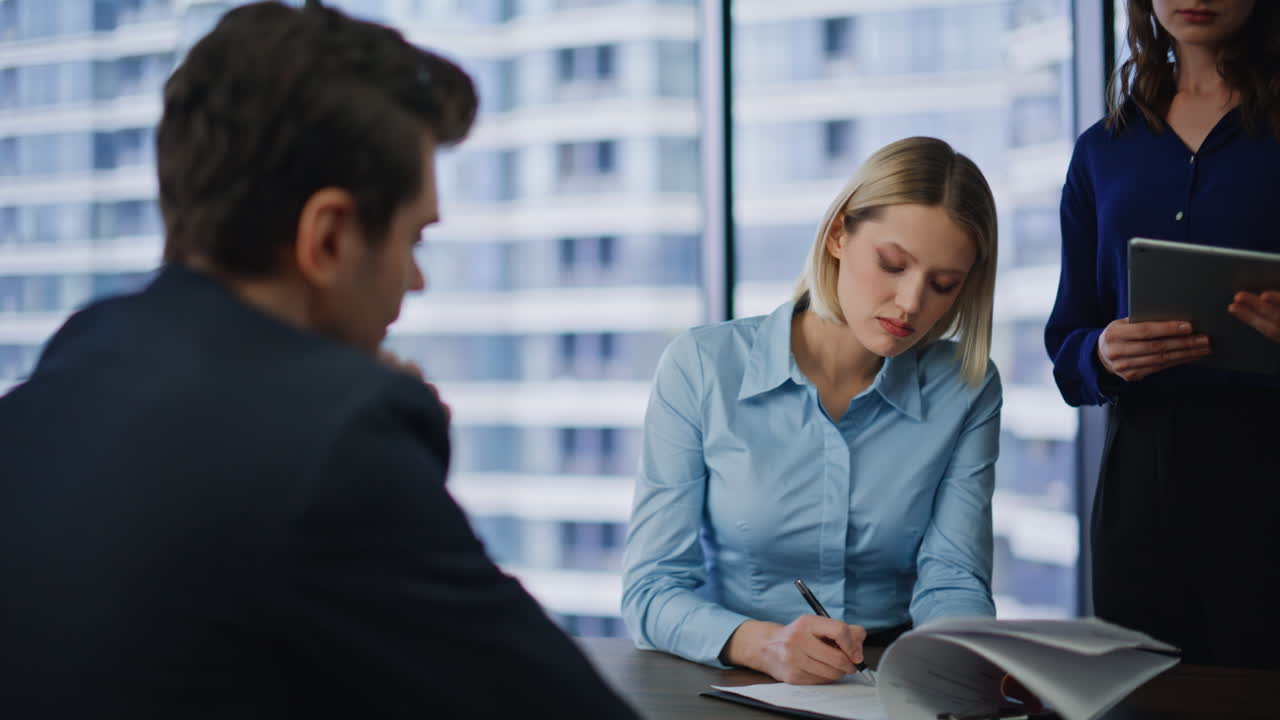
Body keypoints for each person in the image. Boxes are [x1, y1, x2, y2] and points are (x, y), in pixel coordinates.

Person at [0, 2, 639, 717]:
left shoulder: (61, 381)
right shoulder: (337, 444)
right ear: (328, 239)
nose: (415, 280)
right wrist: (385, 455)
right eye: (414, 240)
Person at [621, 136, 1002, 685]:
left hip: (890, 680)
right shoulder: (702, 366)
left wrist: (967, 659)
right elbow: (651, 591)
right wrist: (765, 645)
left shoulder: (966, 387)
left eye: (944, 285)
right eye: (893, 265)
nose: (913, 302)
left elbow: (952, 577)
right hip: (738, 674)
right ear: (838, 235)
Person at [1045, 0, 1280, 669]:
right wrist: (1101, 352)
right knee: (1141, 700)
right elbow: (1068, 343)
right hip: (1139, 489)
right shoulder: (1103, 149)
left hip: (1267, 478)